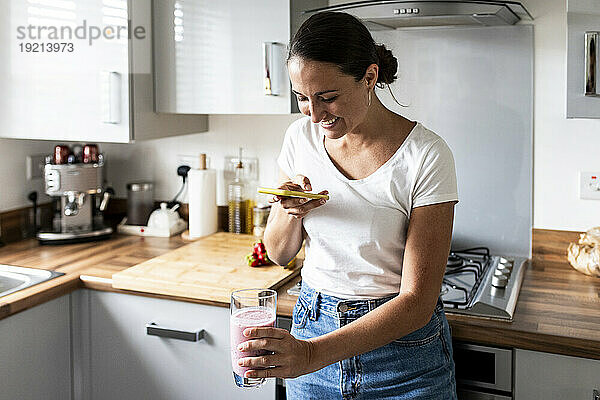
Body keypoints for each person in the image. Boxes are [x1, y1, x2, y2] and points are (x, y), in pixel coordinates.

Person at [236, 11, 458, 400]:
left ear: (370, 77)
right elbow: (278, 252)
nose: (316, 114)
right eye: (303, 98)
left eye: (328, 97)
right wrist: (292, 213)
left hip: (403, 358)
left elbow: (417, 302)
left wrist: (310, 354)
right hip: (313, 323)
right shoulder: (299, 138)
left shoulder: (426, 154)